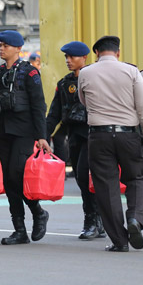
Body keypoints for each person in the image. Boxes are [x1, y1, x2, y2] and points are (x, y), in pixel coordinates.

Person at [78, 35, 143, 252]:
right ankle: (135, 218)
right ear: (117, 52)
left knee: (106, 186)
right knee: (136, 177)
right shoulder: (131, 71)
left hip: (99, 136)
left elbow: (84, 101)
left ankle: (120, 240)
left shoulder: (86, 73)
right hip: (129, 134)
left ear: (97, 53)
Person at [0, 30, 51, 245]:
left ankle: (38, 212)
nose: (1, 48)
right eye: (0, 45)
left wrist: (41, 136)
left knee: (17, 175)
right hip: (4, 133)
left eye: (5, 45)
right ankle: (19, 230)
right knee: (8, 181)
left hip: (24, 132)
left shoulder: (29, 72)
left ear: (17, 49)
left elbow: (38, 105)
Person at [46, 41, 104, 240]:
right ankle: (97, 219)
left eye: (72, 57)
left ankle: (93, 220)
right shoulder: (64, 83)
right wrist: (43, 136)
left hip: (94, 135)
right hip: (74, 136)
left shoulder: (96, 78)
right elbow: (54, 113)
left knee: (83, 175)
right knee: (82, 180)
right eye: (66, 57)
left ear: (84, 58)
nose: (68, 61)